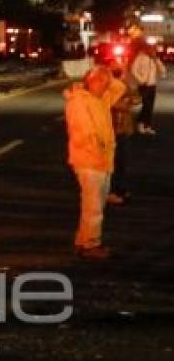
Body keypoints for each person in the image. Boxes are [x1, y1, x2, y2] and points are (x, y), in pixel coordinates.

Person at [63, 66, 126, 260]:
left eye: (106, 83)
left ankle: (83, 241)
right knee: (93, 207)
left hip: (102, 161)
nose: (106, 87)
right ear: (92, 82)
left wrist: (107, 74)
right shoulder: (79, 102)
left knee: (95, 205)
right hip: (90, 161)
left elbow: (120, 88)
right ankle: (90, 245)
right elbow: (84, 133)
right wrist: (99, 151)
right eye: (102, 82)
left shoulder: (101, 98)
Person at [108, 66, 140, 205]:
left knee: (121, 162)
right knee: (114, 162)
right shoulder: (106, 87)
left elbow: (137, 98)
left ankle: (120, 189)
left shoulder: (124, 85)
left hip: (122, 129)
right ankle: (112, 191)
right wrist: (124, 103)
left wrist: (127, 102)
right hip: (111, 130)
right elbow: (112, 104)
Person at [130, 42, 167, 135]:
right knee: (146, 105)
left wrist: (156, 60)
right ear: (147, 49)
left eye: (154, 49)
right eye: (150, 48)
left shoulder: (155, 59)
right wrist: (141, 80)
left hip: (152, 85)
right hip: (143, 85)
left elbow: (163, 70)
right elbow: (133, 70)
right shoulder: (140, 57)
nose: (152, 50)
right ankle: (140, 124)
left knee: (150, 107)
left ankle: (148, 126)